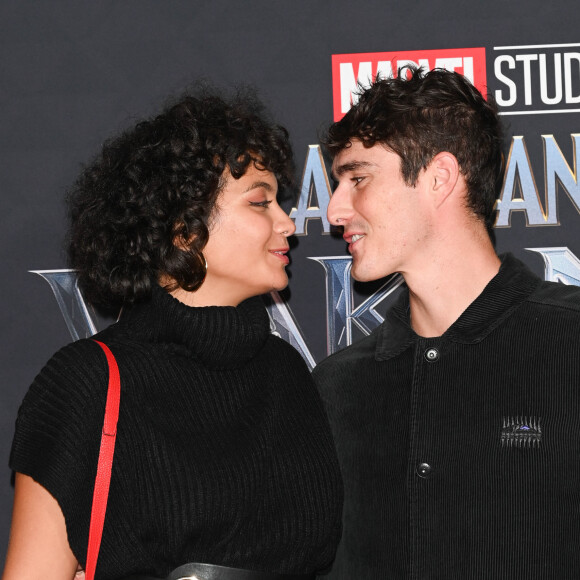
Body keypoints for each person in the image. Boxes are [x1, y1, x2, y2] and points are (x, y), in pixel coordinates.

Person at [3, 86, 342, 580]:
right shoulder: (87, 383)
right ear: (185, 230)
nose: (287, 223)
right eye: (259, 203)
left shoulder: (286, 372)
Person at [313, 67, 580, 579]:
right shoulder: (337, 386)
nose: (334, 210)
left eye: (358, 178)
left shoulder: (570, 345)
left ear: (439, 178)